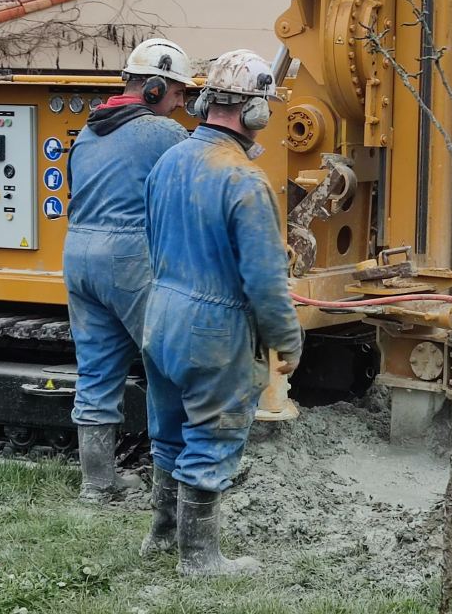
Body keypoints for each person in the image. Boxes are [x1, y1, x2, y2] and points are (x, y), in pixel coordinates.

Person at [139, 49, 302, 576]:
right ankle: (200, 557)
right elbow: (265, 278)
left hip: (159, 316)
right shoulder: (245, 182)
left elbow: (152, 236)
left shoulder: (168, 161)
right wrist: (287, 339)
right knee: (211, 436)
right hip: (213, 328)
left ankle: (162, 536)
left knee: (168, 432)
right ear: (257, 112)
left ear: (206, 100)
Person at [64, 38, 194, 503]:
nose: (181, 106)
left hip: (78, 255)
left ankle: (97, 487)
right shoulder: (160, 134)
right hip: (128, 256)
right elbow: (211, 167)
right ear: (156, 87)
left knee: (97, 371)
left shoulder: (87, 131)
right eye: (179, 95)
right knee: (167, 365)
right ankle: (172, 490)